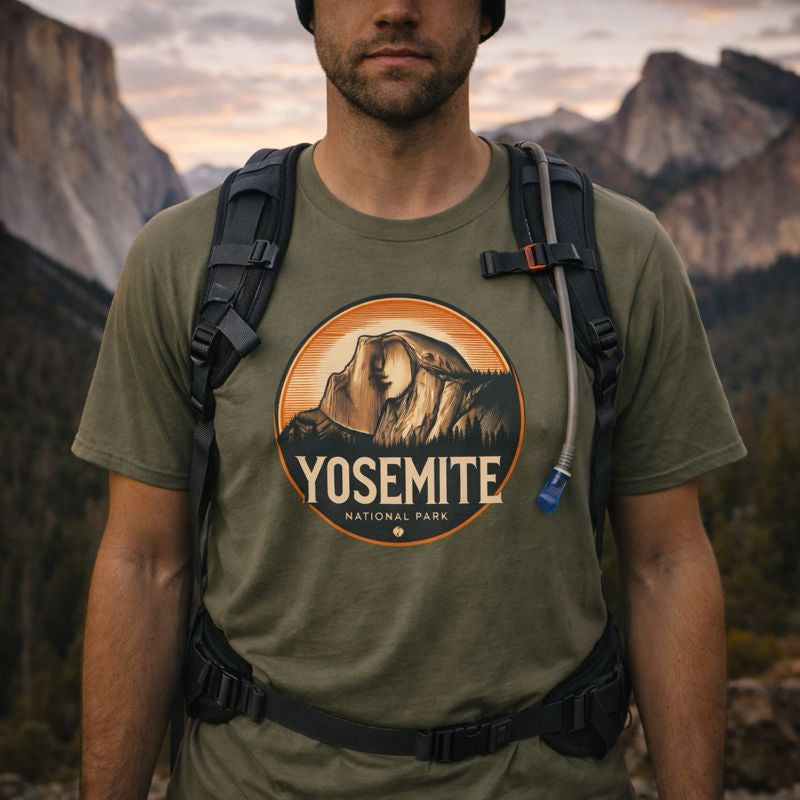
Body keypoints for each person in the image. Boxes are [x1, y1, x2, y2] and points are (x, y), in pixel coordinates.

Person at [72, 1, 747, 798]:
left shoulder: (616, 254)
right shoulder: (186, 259)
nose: (395, 8)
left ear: (486, 12)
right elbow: (145, 566)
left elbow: (668, 564)